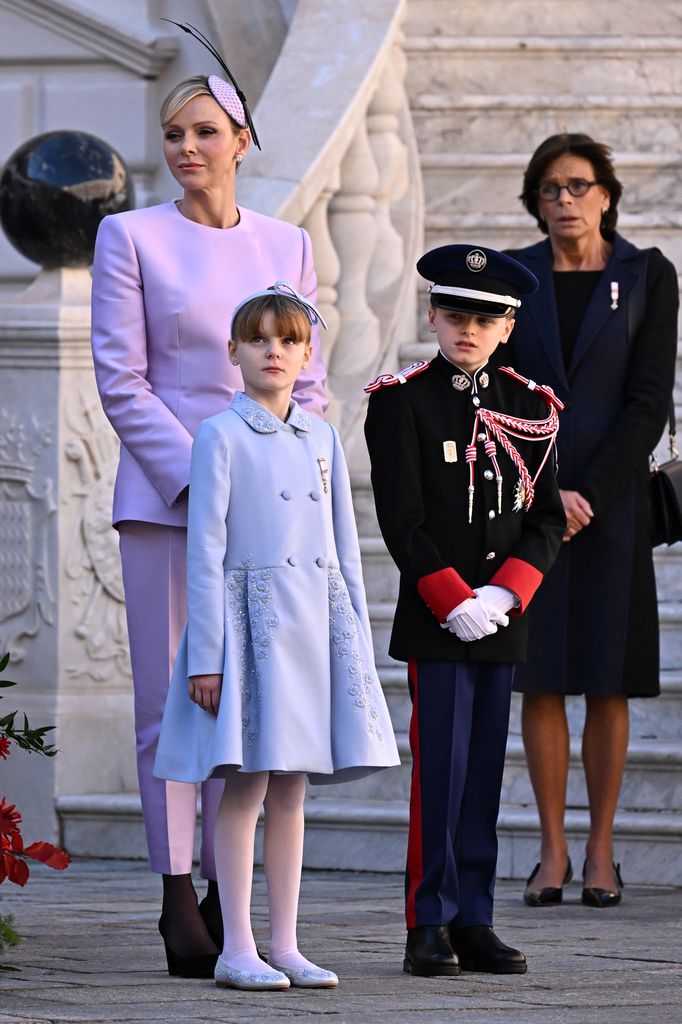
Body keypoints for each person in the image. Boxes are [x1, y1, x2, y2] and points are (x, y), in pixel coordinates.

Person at [90, 72, 327, 976]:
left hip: (268, 511)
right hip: (170, 502)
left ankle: (240, 907)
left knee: (255, 701)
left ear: (242, 141)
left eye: (204, 132)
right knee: (170, 705)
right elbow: (124, 380)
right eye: (174, 133)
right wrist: (210, 476)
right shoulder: (130, 235)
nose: (186, 148)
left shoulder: (287, 242)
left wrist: (287, 472)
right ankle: (173, 890)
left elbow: (305, 377)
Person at [153, 283, 399, 992]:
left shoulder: (321, 433)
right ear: (232, 351)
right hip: (249, 629)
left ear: (307, 352)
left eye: (288, 340)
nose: (274, 351)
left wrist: (350, 629)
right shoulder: (219, 435)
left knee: (292, 789)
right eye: (258, 339)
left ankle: (285, 943)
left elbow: (342, 544)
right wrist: (207, 656)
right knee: (247, 787)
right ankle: (236, 946)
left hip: (313, 627)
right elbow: (205, 550)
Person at [364, 245, 566, 978]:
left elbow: (545, 519)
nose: (468, 330)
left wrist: (506, 592)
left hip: (500, 618)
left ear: (508, 328)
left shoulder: (530, 406)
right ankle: (428, 921)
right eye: (455, 315)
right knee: (439, 774)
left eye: (485, 319)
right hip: (437, 618)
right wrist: (453, 600)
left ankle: (474, 918)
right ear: (433, 317)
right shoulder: (401, 401)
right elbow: (402, 521)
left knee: (484, 771)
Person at [506, 133, 678, 909]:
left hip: (613, 514)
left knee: (607, 681)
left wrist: (593, 494)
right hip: (525, 506)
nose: (564, 201)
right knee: (539, 677)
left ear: (606, 194)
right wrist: (548, 494)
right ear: (535, 202)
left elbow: (649, 404)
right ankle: (552, 853)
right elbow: (495, 393)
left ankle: (602, 854)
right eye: (550, 189)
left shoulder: (649, 276)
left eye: (578, 186)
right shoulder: (513, 279)